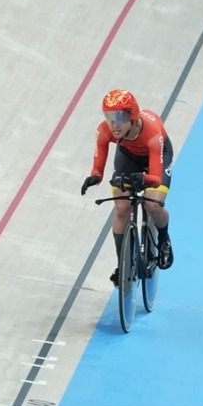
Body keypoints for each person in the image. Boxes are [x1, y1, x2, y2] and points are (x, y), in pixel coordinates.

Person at [81, 89, 174, 284]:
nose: (113, 125)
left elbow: (156, 178)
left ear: (132, 117)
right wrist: (95, 176)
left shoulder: (152, 132)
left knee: (153, 204)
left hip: (157, 158)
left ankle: (164, 239)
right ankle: (123, 264)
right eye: (109, 117)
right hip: (129, 157)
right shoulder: (106, 129)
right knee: (122, 207)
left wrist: (144, 177)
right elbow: (100, 157)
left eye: (119, 118)